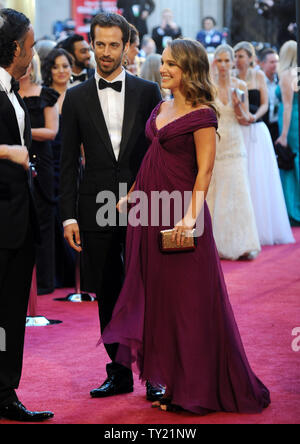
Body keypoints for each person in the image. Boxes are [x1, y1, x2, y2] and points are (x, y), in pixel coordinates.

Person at [101, 38, 271, 414]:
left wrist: (190, 217)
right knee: (161, 302)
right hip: (150, 214)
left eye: (171, 65)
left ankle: (196, 388)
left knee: (190, 304)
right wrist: (132, 194)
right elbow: (153, 155)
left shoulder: (204, 113)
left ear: (190, 69)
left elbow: (205, 170)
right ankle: (171, 382)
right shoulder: (161, 106)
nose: (163, 69)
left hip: (182, 215)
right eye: (163, 63)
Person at [59, 12, 163, 402]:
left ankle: (155, 373)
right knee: (107, 290)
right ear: (91, 45)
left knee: (149, 289)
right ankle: (118, 372)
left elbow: (160, 153)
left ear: (126, 46)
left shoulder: (148, 91)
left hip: (143, 202)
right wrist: (68, 215)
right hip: (94, 207)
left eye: (113, 45)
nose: (105, 52)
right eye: (99, 44)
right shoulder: (75, 97)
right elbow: (67, 162)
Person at [0, 8, 54, 422]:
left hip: (18, 221)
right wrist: (5, 150)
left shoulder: (13, 90)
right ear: (16, 47)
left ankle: (4, 393)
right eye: (31, 45)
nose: (33, 52)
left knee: (11, 315)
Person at [234, 41, 294, 246]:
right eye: (236, 56)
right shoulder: (232, 78)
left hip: (257, 129)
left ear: (250, 58)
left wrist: (252, 117)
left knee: (258, 177)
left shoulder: (258, 76)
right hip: (237, 130)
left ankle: (261, 227)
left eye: (241, 56)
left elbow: (265, 105)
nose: (237, 60)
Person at [206, 44, 261, 261]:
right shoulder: (208, 88)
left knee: (239, 192)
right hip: (216, 143)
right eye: (219, 61)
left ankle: (243, 244)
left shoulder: (240, 85)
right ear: (214, 63)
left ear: (232, 62)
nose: (223, 65)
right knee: (216, 193)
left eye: (227, 61)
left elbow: (245, 119)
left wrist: (238, 106)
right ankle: (215, 244)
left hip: (236, 144)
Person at [19, 54, 59, 295]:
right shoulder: (7, 94)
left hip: (42, 162)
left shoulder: (46, 94)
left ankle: (44, 281)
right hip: (14, 162)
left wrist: (22, 132)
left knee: (44, 220)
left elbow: (52, 131)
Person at [42, 48, 76, 288]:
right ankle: (58, 274)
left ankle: (76, 272)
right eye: (56, 67)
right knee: (54, 214)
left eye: (65, 66)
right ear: (49, 70)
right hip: (51, 160)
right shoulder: (44, 96)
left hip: (75, 160)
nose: (61, 71)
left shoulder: (79, 95)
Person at [276, 40, 300, 226]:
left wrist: (283, 135)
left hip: (291, 122)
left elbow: (288, 105)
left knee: (290, 160)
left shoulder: (287, 74)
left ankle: (294, 210)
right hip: (295, 119)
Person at [258, 48, 280, 144]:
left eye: (277, 61)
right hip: (263, 125)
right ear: (263, 64)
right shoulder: (257, 82)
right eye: (272, 62)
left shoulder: (280, 80)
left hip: (278, 125)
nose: (275, 65)